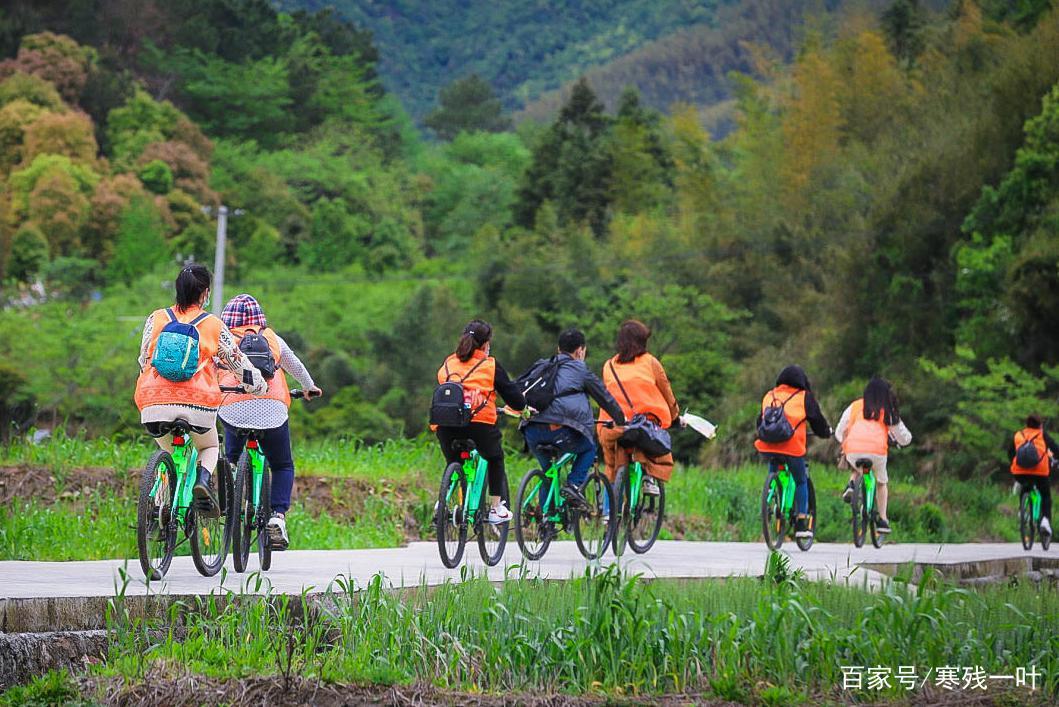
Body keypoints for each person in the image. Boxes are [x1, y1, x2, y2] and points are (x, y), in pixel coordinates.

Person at [134, 265, 266, 517]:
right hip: (198, 404)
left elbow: (143, 359)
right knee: (209, 447)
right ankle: (202, 481)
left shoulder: (156, 318)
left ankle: (160, 509)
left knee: (169, 453)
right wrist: (258, 386)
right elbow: (238, 362)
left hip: (152, 402)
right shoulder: (212, 324)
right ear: (205, 293)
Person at [217, 294, 322, 551]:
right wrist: (309, 388)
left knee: (231, 452)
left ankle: (230, 480)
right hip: (272, 410)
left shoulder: (224, 339)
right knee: (283, 465)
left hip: (233, 406)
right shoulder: (272, 338)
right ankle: (277, 516)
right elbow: (296, 367)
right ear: (259, 317)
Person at [521, 328, 626, 508]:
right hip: (560, 430)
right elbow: (604, 397)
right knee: (589, 448)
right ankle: (574, 485)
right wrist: (621, 419)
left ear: (558, 349)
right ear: (580, 351)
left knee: (549, 472)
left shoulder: (542, 365)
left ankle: (546, 519)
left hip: (531, 429)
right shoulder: (580, 369)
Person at [434, 319, 525, 523]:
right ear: (485, 344)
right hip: (478, 423)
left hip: (445, 424)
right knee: (495, 458)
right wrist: (523, 409)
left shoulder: (449, 362)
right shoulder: (489, 365)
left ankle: (441, 503)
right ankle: (495, 508)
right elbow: (513, 396)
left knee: (454, 461)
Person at [597, 320, 680, 494]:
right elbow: (666, 392)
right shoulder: (650, 362)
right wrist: (675, 417)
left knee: (612, 466)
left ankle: (607, 513)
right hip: (642, 423)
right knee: (652, 443)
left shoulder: (609, 366)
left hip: (613, 426)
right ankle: (648, 478)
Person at [753, 365, 831, 539]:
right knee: (801, 480)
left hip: (767, 445)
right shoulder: (804, 397)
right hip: (792, 447)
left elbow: (761, 421)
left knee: (774, 468)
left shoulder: (769, 395)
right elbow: (817, 421)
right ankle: (802, 522)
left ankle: (769, 496)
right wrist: (825, 432)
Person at [834, 378, 912, 534]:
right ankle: (882, 520)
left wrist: (846, 443)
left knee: (857, 465)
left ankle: (851, 485)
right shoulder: (887, 410)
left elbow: (839, 431)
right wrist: (902, 440)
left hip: (853, 450)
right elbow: (904, 438)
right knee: (881, 483)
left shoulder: (855, 406)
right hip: (877, 452)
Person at [1007, 414, 1057, 538]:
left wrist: (1015, 464)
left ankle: (1022, 511)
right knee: (1045, 495)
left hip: (1020, 472)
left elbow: (1010, 453)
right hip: (1040, 473)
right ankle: (1045, 520)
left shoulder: (1019, 435)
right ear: (1040, 425)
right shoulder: (1042, 434)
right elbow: (1055, 449)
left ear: (1027, 424)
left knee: (1025, 487)